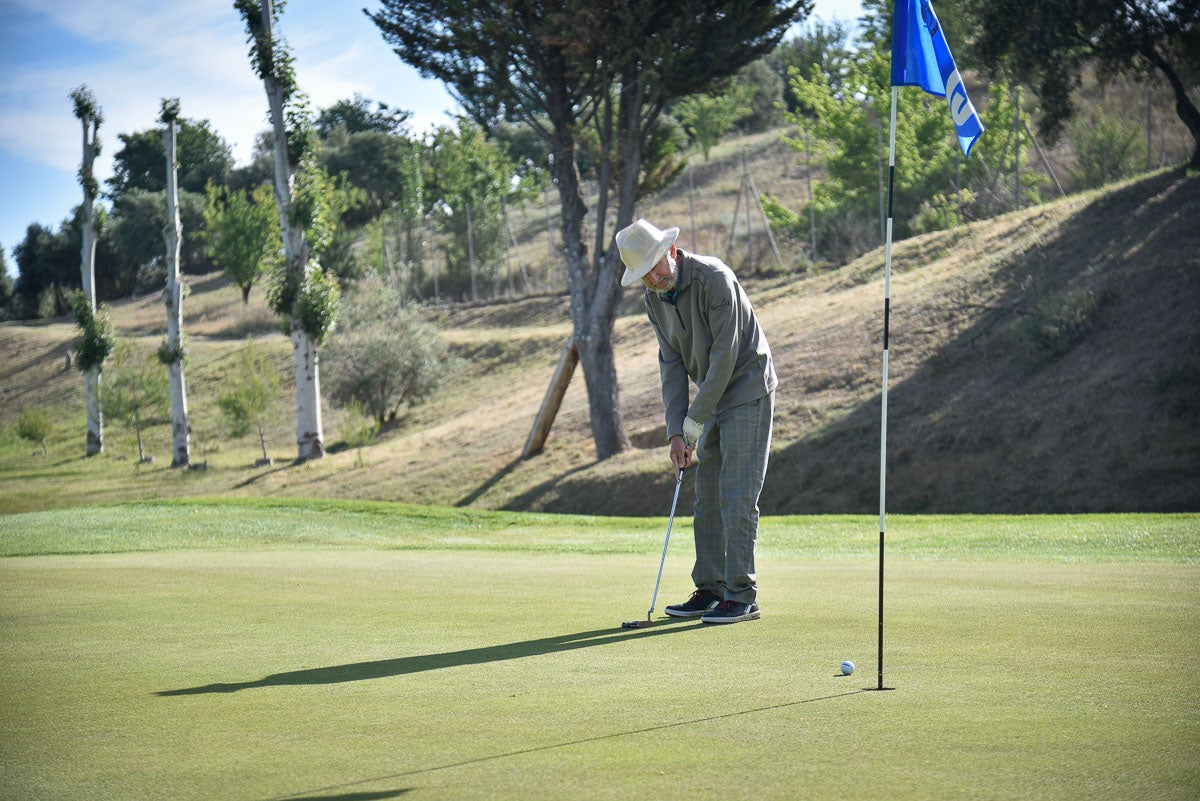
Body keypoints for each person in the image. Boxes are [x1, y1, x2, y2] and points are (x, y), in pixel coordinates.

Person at [614, 218, 777, 624]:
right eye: (645, 273)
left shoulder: (714, 279)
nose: (654, 276)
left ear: (672, 251)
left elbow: (725, 356)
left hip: (747, 389)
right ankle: (710, 588)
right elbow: (670, 365)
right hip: (710, 396)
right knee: (706, 498)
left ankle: (742, 595)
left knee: (737, 496)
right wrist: (676, 432)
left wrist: (695, 421)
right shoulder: (655, 300)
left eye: (656, 265)